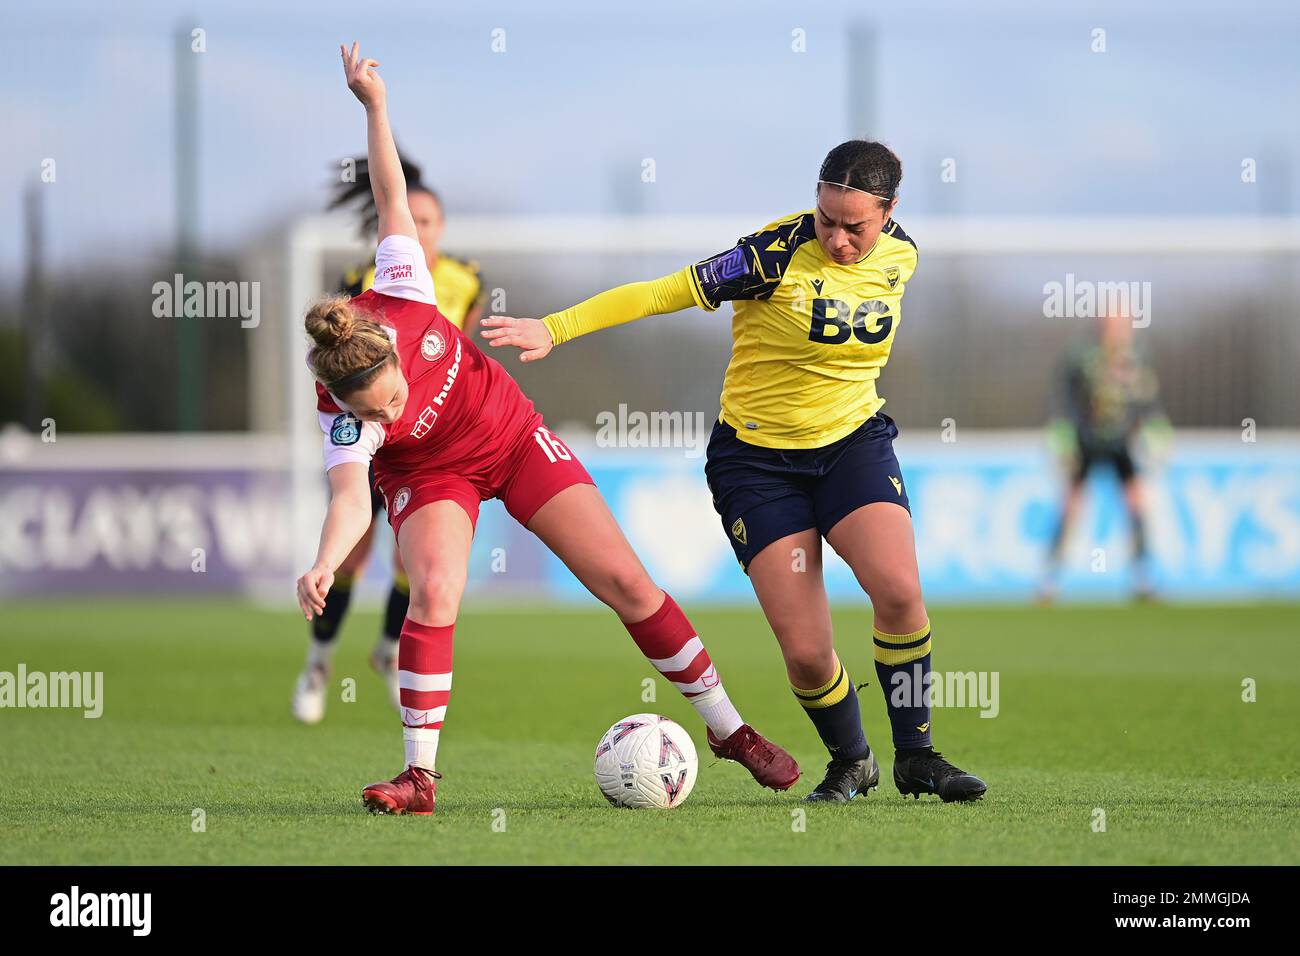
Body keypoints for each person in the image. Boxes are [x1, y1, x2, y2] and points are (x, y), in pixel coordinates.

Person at [295, 43, 798, 815]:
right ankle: (419, 777)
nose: (382, 417)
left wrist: (375, 106)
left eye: (387, 401)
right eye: (368, 415)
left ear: (395, 351)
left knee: (628, 583)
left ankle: (729, 730)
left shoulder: (404, 288)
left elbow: (392, 192)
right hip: (430, 477)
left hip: (510, 437)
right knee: (434, 592)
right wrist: (326, 562)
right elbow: (349, 500)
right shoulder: (342, 413)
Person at [482, 141, 987, 803]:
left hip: (853, 445)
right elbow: (660, 293)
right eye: (826, 219)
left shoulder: (904, 254)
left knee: (897, 590)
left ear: (890, 212)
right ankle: (852, 761)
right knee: (807, 653)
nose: (835, 237)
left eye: (853, 227)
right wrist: (556, 326)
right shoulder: (766, 256)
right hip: (757, 464)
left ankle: (917, 757)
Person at [291, 153, 485, 724]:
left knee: (413, 562)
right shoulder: (373, 282)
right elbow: (347, 371)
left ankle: (388, 648)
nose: (419, 231)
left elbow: (459, 350)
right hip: (376, 439)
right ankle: (319, 662)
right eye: (412, 220)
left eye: (429, 223)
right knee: (353, 556)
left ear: (441, 228)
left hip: (425, 445)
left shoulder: (466, 279)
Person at [1040, 311, 1171, 602]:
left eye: (1122, 324)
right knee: (1072, 506)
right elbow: (1065, 397)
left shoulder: (1138, 357)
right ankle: (1050, 578)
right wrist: (1063, 430)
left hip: (1121, 441)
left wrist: (1155, 424)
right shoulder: (1081, 356)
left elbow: (1147, 399)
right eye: (1112, 323)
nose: (1118, 330)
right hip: (1087, 439)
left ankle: (1143, 577)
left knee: (1136, 504)